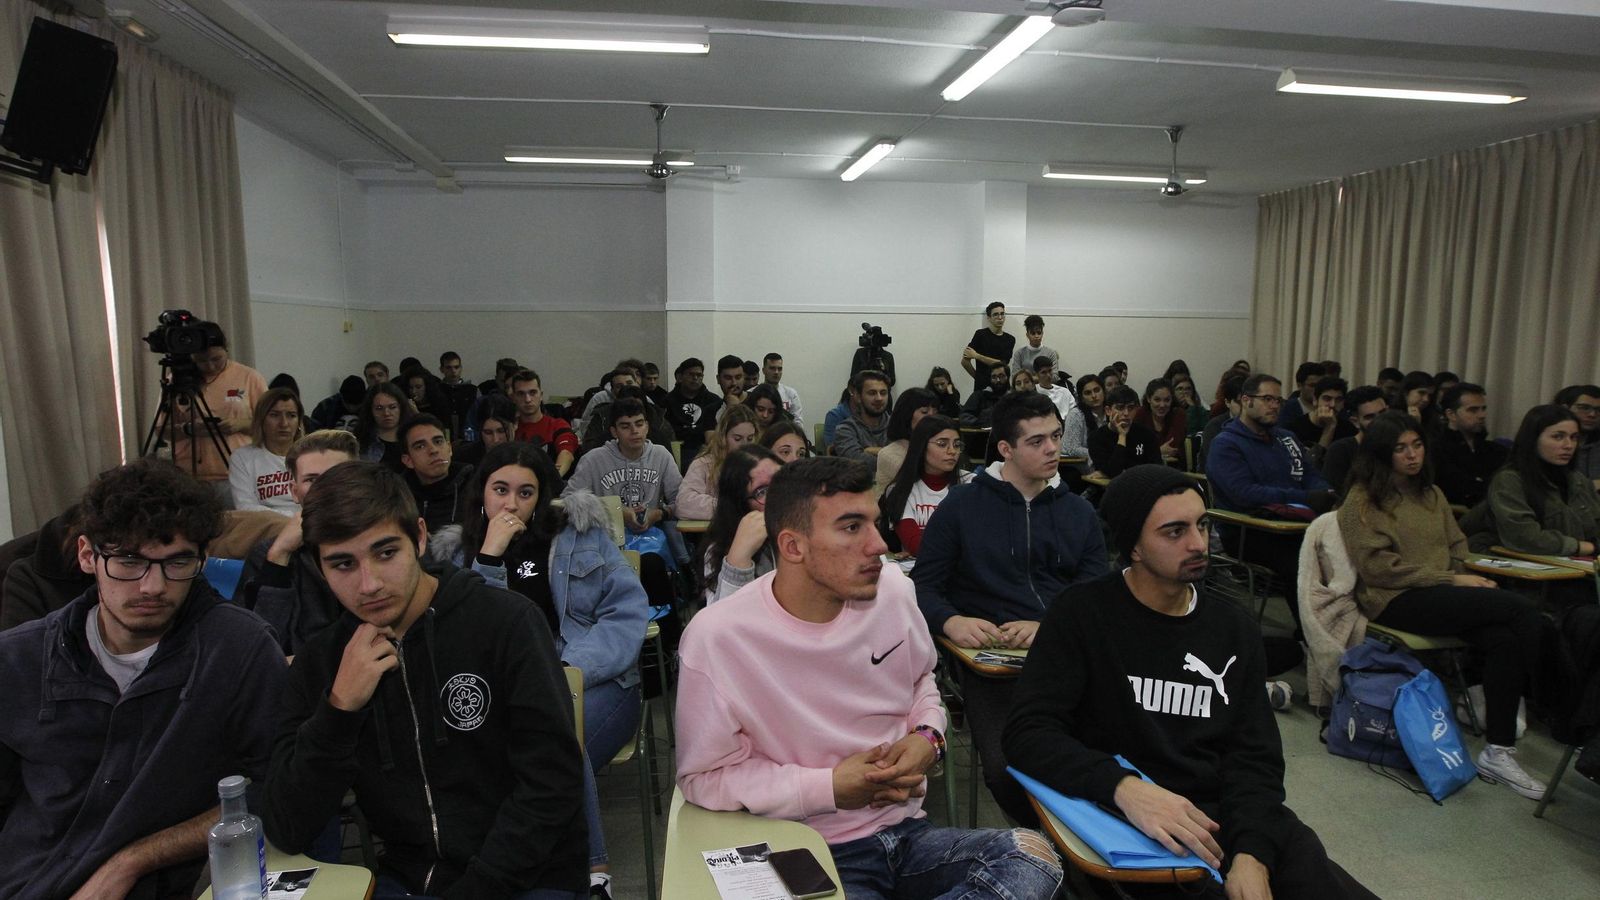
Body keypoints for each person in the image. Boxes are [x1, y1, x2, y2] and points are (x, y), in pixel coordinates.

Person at [676, 457, 1064, 900]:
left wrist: (928, 739)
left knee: (1035, 857)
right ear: (793, 546)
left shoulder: (894, 591)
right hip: (799, 845)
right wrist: (828, 788)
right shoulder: (718, 638)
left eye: (875, 523)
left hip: (905, 834)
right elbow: (702, 778)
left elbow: (922, 683)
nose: (880, 544)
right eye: (851, 527)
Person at [1006, 465, 1379, 899]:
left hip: (1227, 819)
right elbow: (1027, 733)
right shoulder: (1082, 615)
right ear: (1135, 548)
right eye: (1174, 531)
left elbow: (1254, 758)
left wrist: (1252, 855)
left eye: (1202, 524)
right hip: (1131, 823)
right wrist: (1124, 789)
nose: (1199, 543)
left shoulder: (1233, 628)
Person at [260, 462, 588, 897]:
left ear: (417, 537)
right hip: (410, 880)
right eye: (342, 564)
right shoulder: (323, 663)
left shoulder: (505, 624)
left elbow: (551, 785)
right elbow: (287, 825)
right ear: (320, 567)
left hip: (530, 875)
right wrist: (339, 710)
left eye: (385, 552)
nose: (369, 583)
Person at [0, 460, 286, 897]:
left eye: (178, 562)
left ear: (202, 559)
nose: (153, 586)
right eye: (130, 561)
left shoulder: (237, 650)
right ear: (86, 555)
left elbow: (274, 789)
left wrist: (132, 861)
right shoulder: (20, 659)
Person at [432, 442, 649, 899]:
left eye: (526, 492)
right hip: (509, 693)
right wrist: (489, 559)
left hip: (594, 679)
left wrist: (566, 670)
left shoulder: (580, 534)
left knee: (556, 735)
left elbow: (627, 613)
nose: (511, 504)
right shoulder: (459, 557)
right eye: (500, 490)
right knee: (528, 740)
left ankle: (594, 875)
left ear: (543, 496)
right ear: (482, 493)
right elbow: (471, 639)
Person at [914, 391, 1108, 824]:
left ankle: (1089, 856)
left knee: (1107, 756)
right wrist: (951, 620)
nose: (1053, 448)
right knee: (1008, 770)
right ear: (1005, 449)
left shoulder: (1078, 511)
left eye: (1056, 436)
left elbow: (1098, 591)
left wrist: (1050, 623)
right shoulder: (961, 507)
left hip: (1068, 653)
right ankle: (1051, 853)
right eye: (1037, 441)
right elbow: (923, 587)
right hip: (992, 666)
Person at [1339, 412, 1548, 798]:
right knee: (1523, 611)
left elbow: (1457, 545)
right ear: (1381, 454)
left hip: (1440, 593)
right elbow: (1378, 568)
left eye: (1417, 445)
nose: (1412, 455)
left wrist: (1456, 576)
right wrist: (1451, 579)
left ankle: (1498, 751)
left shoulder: (1431, 494)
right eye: (1400, 448)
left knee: (1506, 639)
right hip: (1394, 599)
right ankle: (1567, 717)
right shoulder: (1362, 500)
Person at [1206, 373, 1334, 632]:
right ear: (1245, 400)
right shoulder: (1226, 444)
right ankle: (1315, 635)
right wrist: (1306, 498)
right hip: (1249, 530)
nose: (1275, 405)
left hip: (1296, 524)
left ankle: (1339, 628)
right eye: (1267, 399)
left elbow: (1310, 475)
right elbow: (1245, 494)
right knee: (1303, 562)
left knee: (1342, 554)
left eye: (1278, 400)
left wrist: (1324, 493)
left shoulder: (1286, 439)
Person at [239, 429, 360, 657]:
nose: (325, 488)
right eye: (312, 480)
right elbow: (255, 646)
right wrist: (279, 557)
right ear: (295, 492)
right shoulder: (268, 553)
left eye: (336, 475)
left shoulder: (385, 544)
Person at [1462, 404, 1600, 559]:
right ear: (1533, 439)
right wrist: (1583, 547)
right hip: (1520, 567)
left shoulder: (1577, 479)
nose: (1569, 445)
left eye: (1574, 437)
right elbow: (1524, 537)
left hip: (1576, 564)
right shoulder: (1510, 479)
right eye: (1558, 437)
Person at [163, 324, 269, 495]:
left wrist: (241, 425)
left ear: (226, 350)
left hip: (238, 474)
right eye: (201, 361)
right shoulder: (177, 381)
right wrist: (190, 429)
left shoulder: (249, 377)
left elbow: (271, 425)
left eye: (216, 359)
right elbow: (162, 430)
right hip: (189, 476)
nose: (210, 367)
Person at [564, 398, 682, 538]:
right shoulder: (592, 460)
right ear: (614, 432)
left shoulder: (661, 455)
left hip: (650, 537)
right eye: (625, 427)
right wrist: (615, 512)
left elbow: (682, 501)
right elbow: (566, 502)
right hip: (604, 537)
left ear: (647, 427)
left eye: (639, 424)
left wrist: (658, 514)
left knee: (653, 559)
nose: (634, 431)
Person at [697, 447, 784, 604]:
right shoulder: (720, 550)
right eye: (762, 491)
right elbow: (721, 623)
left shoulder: (811, 530)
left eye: (780, 480)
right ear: (741, 504)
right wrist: (738, 559)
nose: (778, 495)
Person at [880, 415, 970, 556]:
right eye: (942, 444)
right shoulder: (901, 490)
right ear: (921, 447)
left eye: (957, 445)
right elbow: (917, 546)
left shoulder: (972, 483)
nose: (952, 451)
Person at [230, 386, 307, 515]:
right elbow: (245, 507)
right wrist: (289, 518)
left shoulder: (312, 455)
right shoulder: (242, 458)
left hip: (308, 525)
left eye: (291, 415)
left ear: (299, 422)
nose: (284, 423)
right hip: (265, 528)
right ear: (261, 420)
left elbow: (322, 503)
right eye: (274, 415)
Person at [678, 405, 761, 520]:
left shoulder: (761, 466)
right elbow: (683, 503)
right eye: (737, 439)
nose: (745, 445)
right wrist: (729, 507)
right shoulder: (703, 464)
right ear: (723, 438)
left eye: (750, 438)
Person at [1432, 383, 1508, 508]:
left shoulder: (1496, 450)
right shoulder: (1436, 450)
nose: (1482, 415)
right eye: (1473, 410)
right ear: (1451, 414)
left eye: (1483, 409)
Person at [398, 414, 474, 534]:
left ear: (449, 448)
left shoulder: (476, 487)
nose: (433, 450)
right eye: (420, 446)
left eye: (438, 441)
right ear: (408, 460)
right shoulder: (398, 498)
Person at [1320, 385, 1389, 494]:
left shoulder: (1399, 445)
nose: (1380, 421)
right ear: (1355, 422)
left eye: (1383, 413)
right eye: (1370, 417)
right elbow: (1335, 497)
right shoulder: (1341, 451)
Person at [509, 370, 579, 478]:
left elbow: (566, 455)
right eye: (521, 394)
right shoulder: (508, 429)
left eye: (533, 393)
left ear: (541, 395)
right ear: (513, 398)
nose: (528, 399)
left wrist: (552, 479)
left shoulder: (557, 425)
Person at [874, 387, 939, 494]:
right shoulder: (890, 454)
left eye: (935, 412)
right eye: (924, 412)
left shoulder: (933, 446)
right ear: (907, 415)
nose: (932, 417)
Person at [1089, 385, 1163, 477]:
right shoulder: (1096, 438)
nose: (1126, 413)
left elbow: (1157, 468)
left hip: (1144, 486)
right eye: (1120, 408)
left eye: (1131, 408)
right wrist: (1122, 436)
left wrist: (1122, 472)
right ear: (1108, 411)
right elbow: (1113, 471)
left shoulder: (1147, 434)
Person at [663, 357, 722, 468]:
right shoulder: (667, 401)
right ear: (680, 377)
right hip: (675, 451)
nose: (695, 378)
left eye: (699, 375)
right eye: (691, 374)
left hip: (706, 450)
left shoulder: (714, 401)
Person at [1288, 376, 1354, 462]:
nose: (1333, 404)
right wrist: (1330, 428)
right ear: (1315, 400)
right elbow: (1312, 467)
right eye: (1327, 399)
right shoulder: (1294, 429)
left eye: (1339, 400)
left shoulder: (1349, 430)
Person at [833, 369, 893, 463]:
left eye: (883, 393)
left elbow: (906, 458)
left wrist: (871, 450)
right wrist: (891, 456)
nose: (879, 398)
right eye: (872, 393)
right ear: (858, 396)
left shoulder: (897, 425)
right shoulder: (845, 430)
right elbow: (860, 463)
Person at [1034, 358, 1086, 459]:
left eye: (1050, 371)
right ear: (1036, 374)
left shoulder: (1065, 392)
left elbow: (1075, 415)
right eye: (1043, 372)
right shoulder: (1033, 392)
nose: (1048, 375)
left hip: (1067, 433)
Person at [962, 301, 1015, 394]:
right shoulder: (980, 335)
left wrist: (977, 356)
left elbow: (1002, 364)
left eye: (1002, 314)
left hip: (1002, 387)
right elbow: (964, 361)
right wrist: (978, 378)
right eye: (996, 314)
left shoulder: (1010, 339)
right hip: (982, 388)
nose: (1000, 317)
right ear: (989, 318)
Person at [357, 381, 411, 471]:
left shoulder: (413, 435)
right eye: (379, 408)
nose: (386, 413)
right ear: (370, 411)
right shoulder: (361, 442)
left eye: (392, 407)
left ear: (401, 408)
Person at [454, 394, 518, 470]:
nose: (495, 439)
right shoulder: (463, 460)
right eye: (488, 432)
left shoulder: (526, 457)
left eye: (502, 431)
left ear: (515, 424)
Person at [1197, 374, 1245, 473]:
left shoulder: (1257, 425)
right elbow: (1217, 463)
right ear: (1227, 402)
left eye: (1248, 402)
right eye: (1239, 403)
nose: (1244, 407)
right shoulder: (1214, 426)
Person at [1134, 378, 1186, 467]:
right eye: (1157, 400)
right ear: (1148, 399)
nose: (1162, 405)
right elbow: (1136, 450)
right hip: (1145, 468)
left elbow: (1172, 447)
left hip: (1174, 469)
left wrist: (1151, 451)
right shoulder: (1141, 414)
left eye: (1167, 400)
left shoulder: (1178, 414)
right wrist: (1158, 451)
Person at [1555, 383, 1600, 488]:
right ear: (1565, 409)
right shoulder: (1550, 442)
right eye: (1584, 408)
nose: (1592, 414)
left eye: (1599, 410)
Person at [438, 351, 478, 439]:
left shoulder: (473, 390)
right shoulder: (436, 390)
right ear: (442, 369)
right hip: (443, 434)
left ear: (461, 368)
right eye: (448, 368)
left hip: (468, 435)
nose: (453, 371)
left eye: (456, 367)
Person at [1278, 361, 1326, 432]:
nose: (1318, 390)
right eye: (1312, 386)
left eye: (1321, 385)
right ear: (1299, 385)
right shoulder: (1288, 409)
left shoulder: (1330, 406)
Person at [1010, 314, 1060, 379]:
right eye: (1033, 333)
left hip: (1046, 388)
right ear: (1027, 335)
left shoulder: (1051, 353)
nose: (1036, 336)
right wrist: (1041, 378)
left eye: (1039, 333)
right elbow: (1015, 377)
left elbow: (1055, 377)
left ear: (1042, 333)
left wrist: (1029, 379)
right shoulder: (1019, 353)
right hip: (1025, 388)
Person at [762, 352, 805, 427]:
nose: (776, 372)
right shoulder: (753, 393)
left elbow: (798, 422)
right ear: (763, 370)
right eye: (772, 368)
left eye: (779, 369)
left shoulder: (791, 394)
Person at [961, 364, 1010, 428]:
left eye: (1001, 376)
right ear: (990, 379)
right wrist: (982, 424)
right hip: (983, 435)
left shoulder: (1013, 397)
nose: (998, 380)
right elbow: (964, 416)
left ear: (1008, 377)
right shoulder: (979, 396)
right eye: (994, 377)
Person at [714, 354, 748, 419]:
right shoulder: (711, 411)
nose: (734, 383)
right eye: (728, 378)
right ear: (718, 379)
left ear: (744, 377)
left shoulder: (757, 404)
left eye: (738, 377)